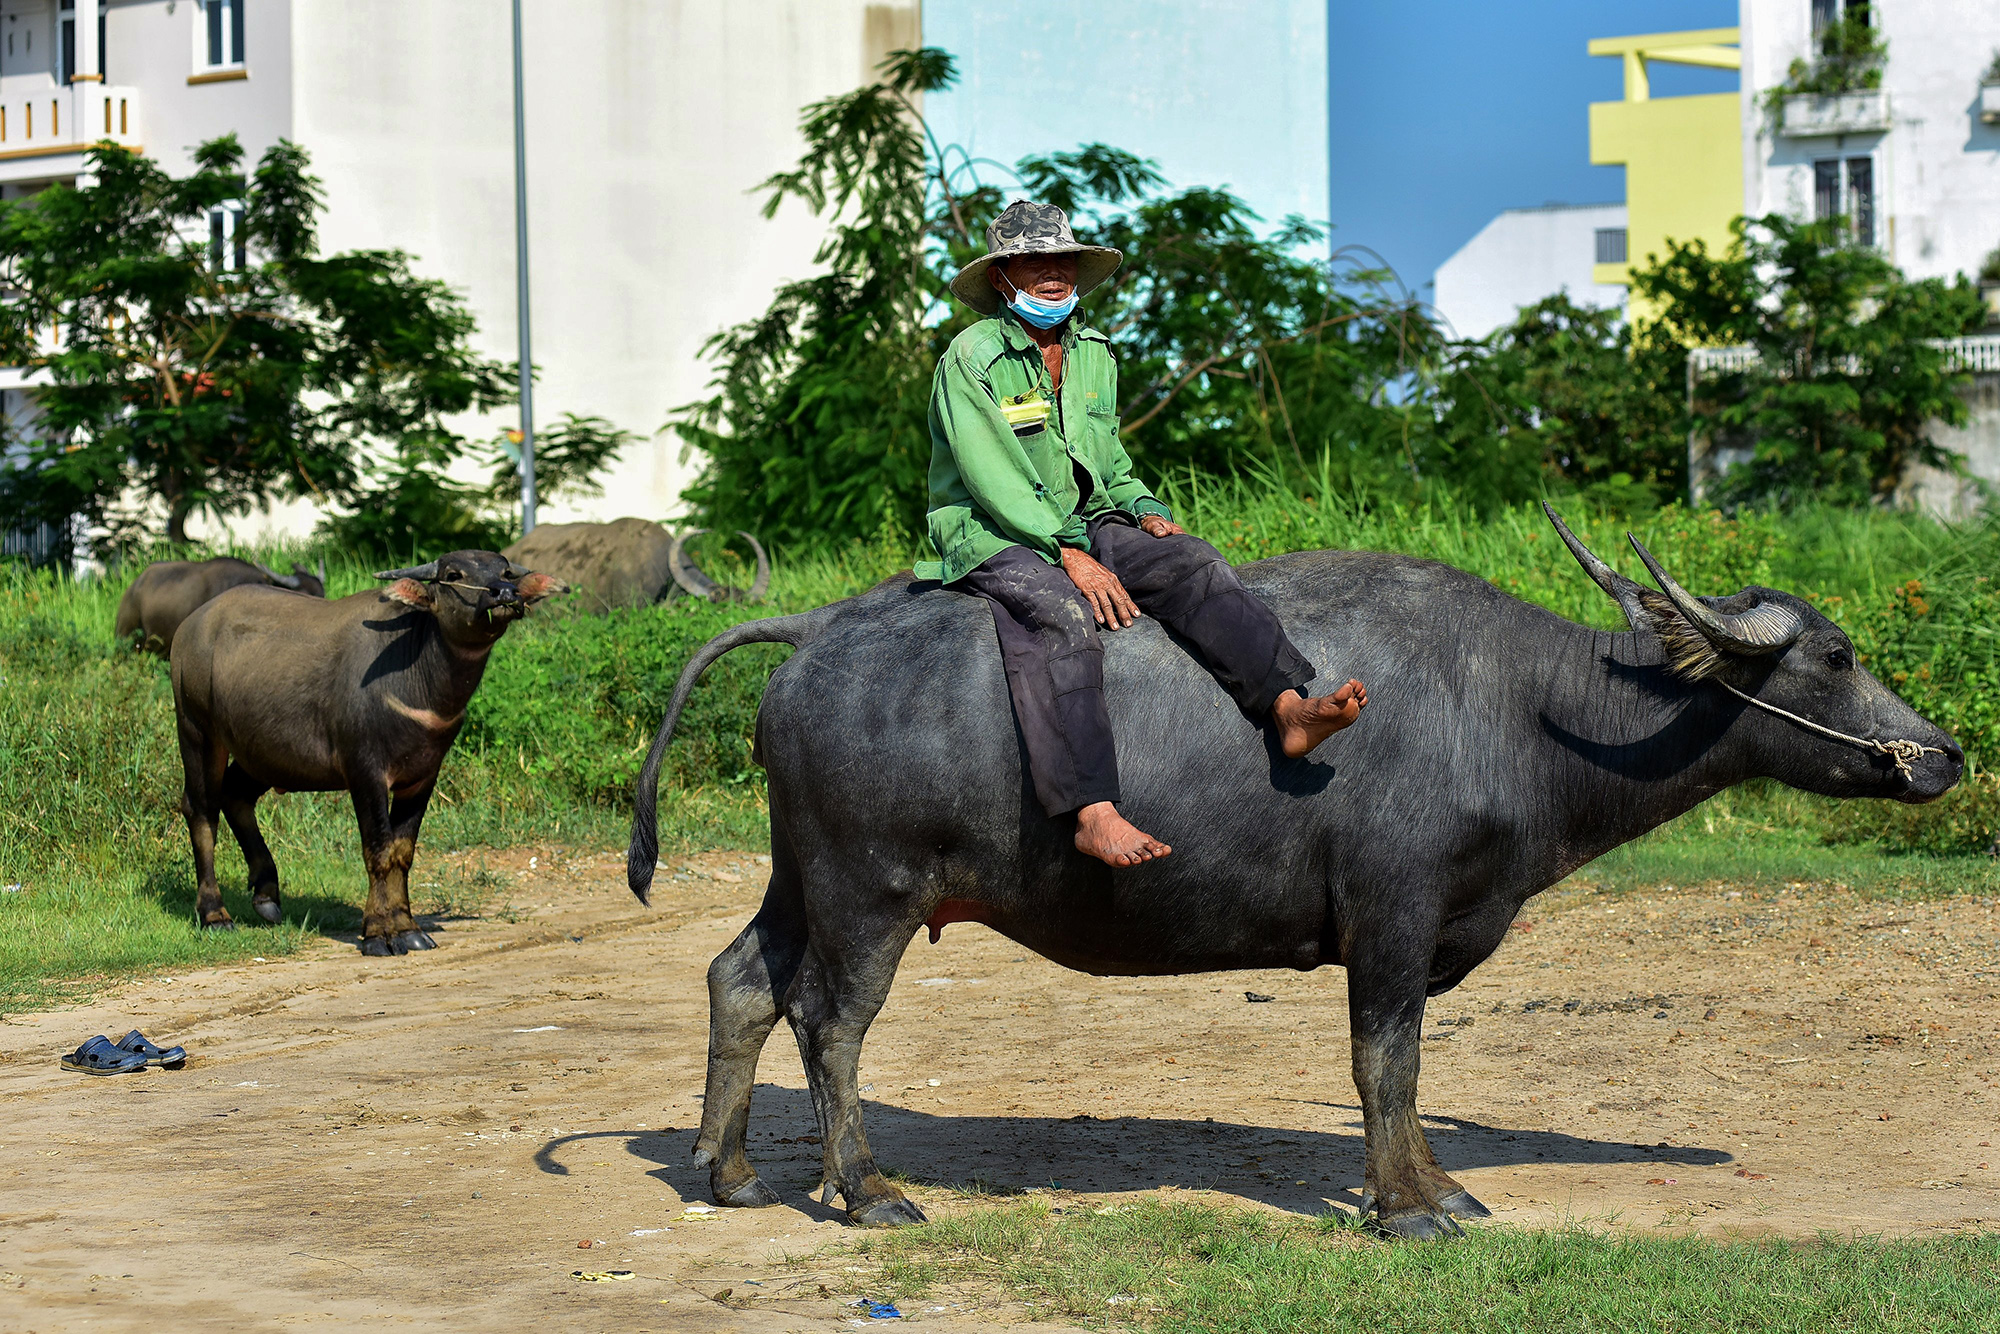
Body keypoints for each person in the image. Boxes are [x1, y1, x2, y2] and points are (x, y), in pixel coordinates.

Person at [916, 201, 1367, 868]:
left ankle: (1289, 709)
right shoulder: (972, 356)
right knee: (1061, 615)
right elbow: (994, 478)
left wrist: (1145, 507)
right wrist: (1067, 553)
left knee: (1190, 559)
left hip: (1082, 519)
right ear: (1003, 276)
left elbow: (1109, 464)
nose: (1052, 272)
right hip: (992, 531)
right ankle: (1092, 813)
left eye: (1062, 259)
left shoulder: (1094, 352)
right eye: (1033, 261)